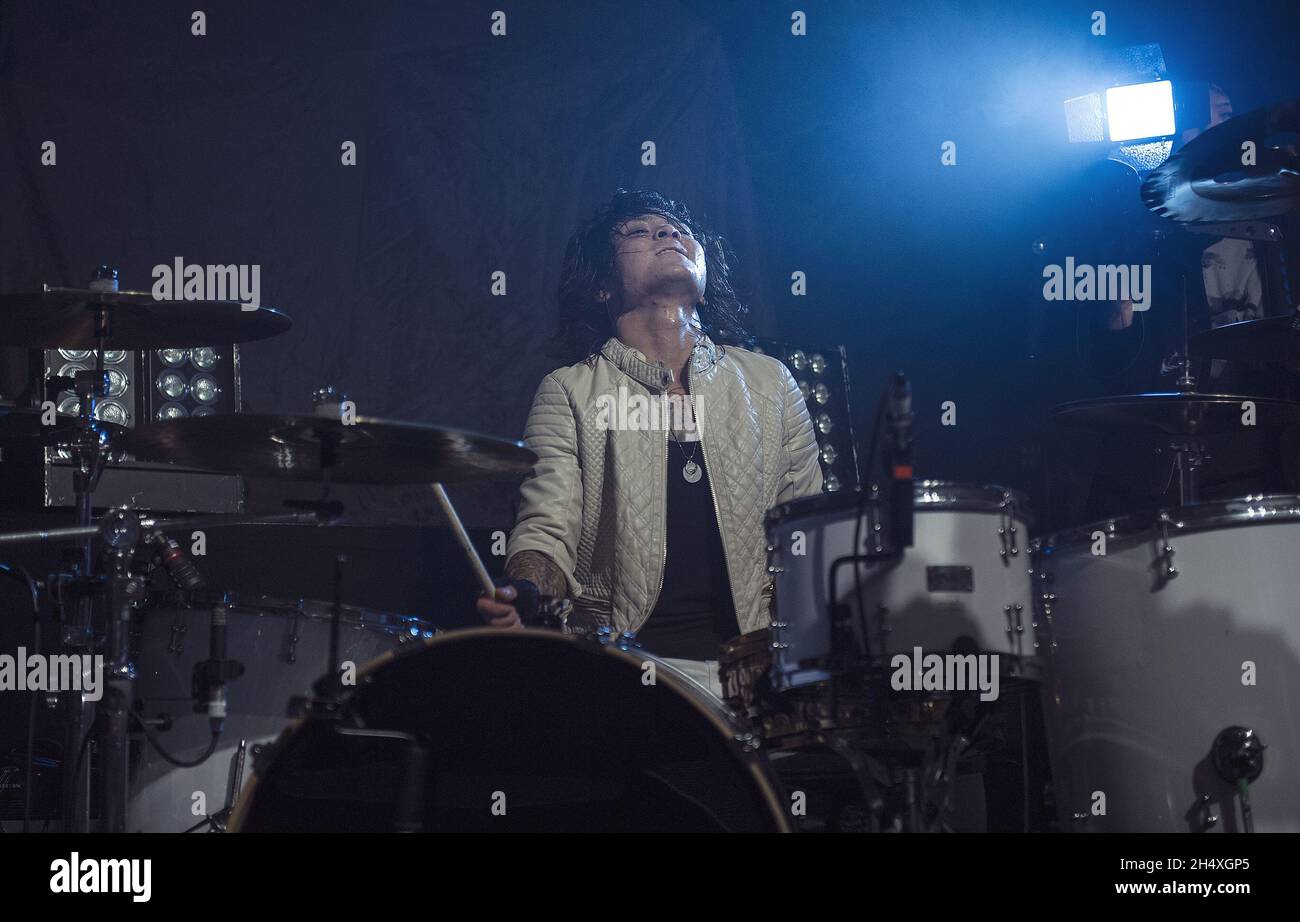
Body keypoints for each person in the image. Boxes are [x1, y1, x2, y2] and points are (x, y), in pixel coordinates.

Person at [476, 189, 822, 696]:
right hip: (625, 673)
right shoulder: (570, 390)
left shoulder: (771, 384)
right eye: (640, 232)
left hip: (760, 676)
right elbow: (546, 531)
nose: (668, 233)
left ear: (704, 282)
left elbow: (808, 535)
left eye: (678, 230)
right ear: (602, 287)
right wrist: (524, 592)